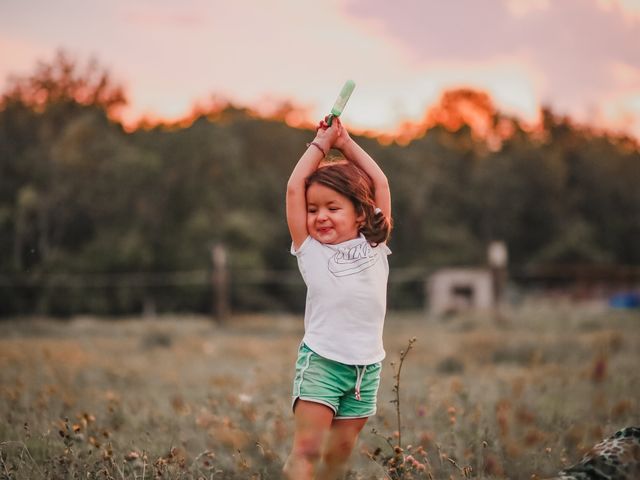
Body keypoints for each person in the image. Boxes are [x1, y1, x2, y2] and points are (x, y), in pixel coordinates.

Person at [283, 116, 392, 480]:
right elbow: (295, 187)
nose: (320, 217)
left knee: (335, 462)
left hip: (367, 369)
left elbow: (380, 182)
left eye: (333, 207)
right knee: (307, 453)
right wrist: (320, 144)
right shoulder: (310, 250)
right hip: (323, 364)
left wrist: (345, 143)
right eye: (314, 210)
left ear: (361, 213)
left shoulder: (374, 244)